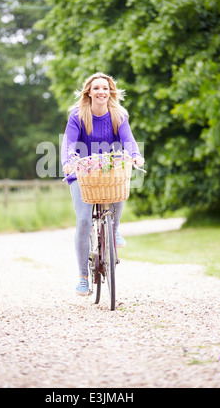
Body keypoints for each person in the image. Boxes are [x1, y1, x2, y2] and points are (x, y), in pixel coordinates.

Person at [61, 72, 144, 296]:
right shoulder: (78, 115)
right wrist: (68, 161)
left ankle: (114, 229)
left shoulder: (118, 115)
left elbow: (128, 139)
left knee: (119, 178)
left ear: (110, 92)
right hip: (82, 171)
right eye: (96, 88)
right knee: (84, 221)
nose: (101, 92)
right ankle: (82, 277)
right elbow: (68, 142)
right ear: (89, 91)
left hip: (108, 168)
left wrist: (135, 155)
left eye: (105, 88)